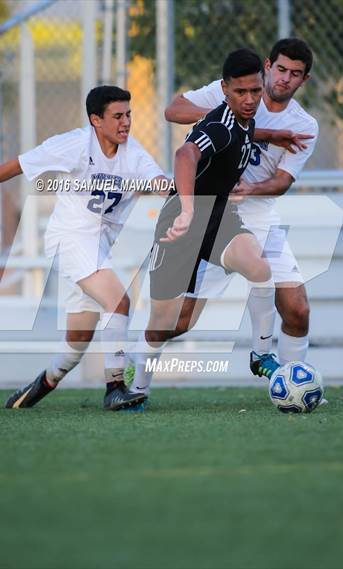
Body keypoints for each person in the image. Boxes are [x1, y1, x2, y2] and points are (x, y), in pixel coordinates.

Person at [0, 85, 167, 411]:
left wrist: (174, 186)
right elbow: (19, 164)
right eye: (118, 116)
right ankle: (115, 388)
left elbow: (156, 181)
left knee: (76, 344)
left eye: (129, 115)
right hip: (71, 238)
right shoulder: (74, 145)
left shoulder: (133, 152)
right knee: (119, 302)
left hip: (101, 247)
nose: (126, 123)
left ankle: (34, 391)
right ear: (96, 119)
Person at [128, 38, 319, 402]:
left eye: (295, 74)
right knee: (174, 324)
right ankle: (135, 381)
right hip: (193, 217)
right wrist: (186, 209)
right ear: (266, 67)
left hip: (240, 217)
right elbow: (184, 145)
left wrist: (267, 137)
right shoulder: (227, 108)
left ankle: (270, 362)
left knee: (289, 299)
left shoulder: (290, 122)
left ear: (304, 79)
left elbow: (272, 168)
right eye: (280, 70)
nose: (253, 97)